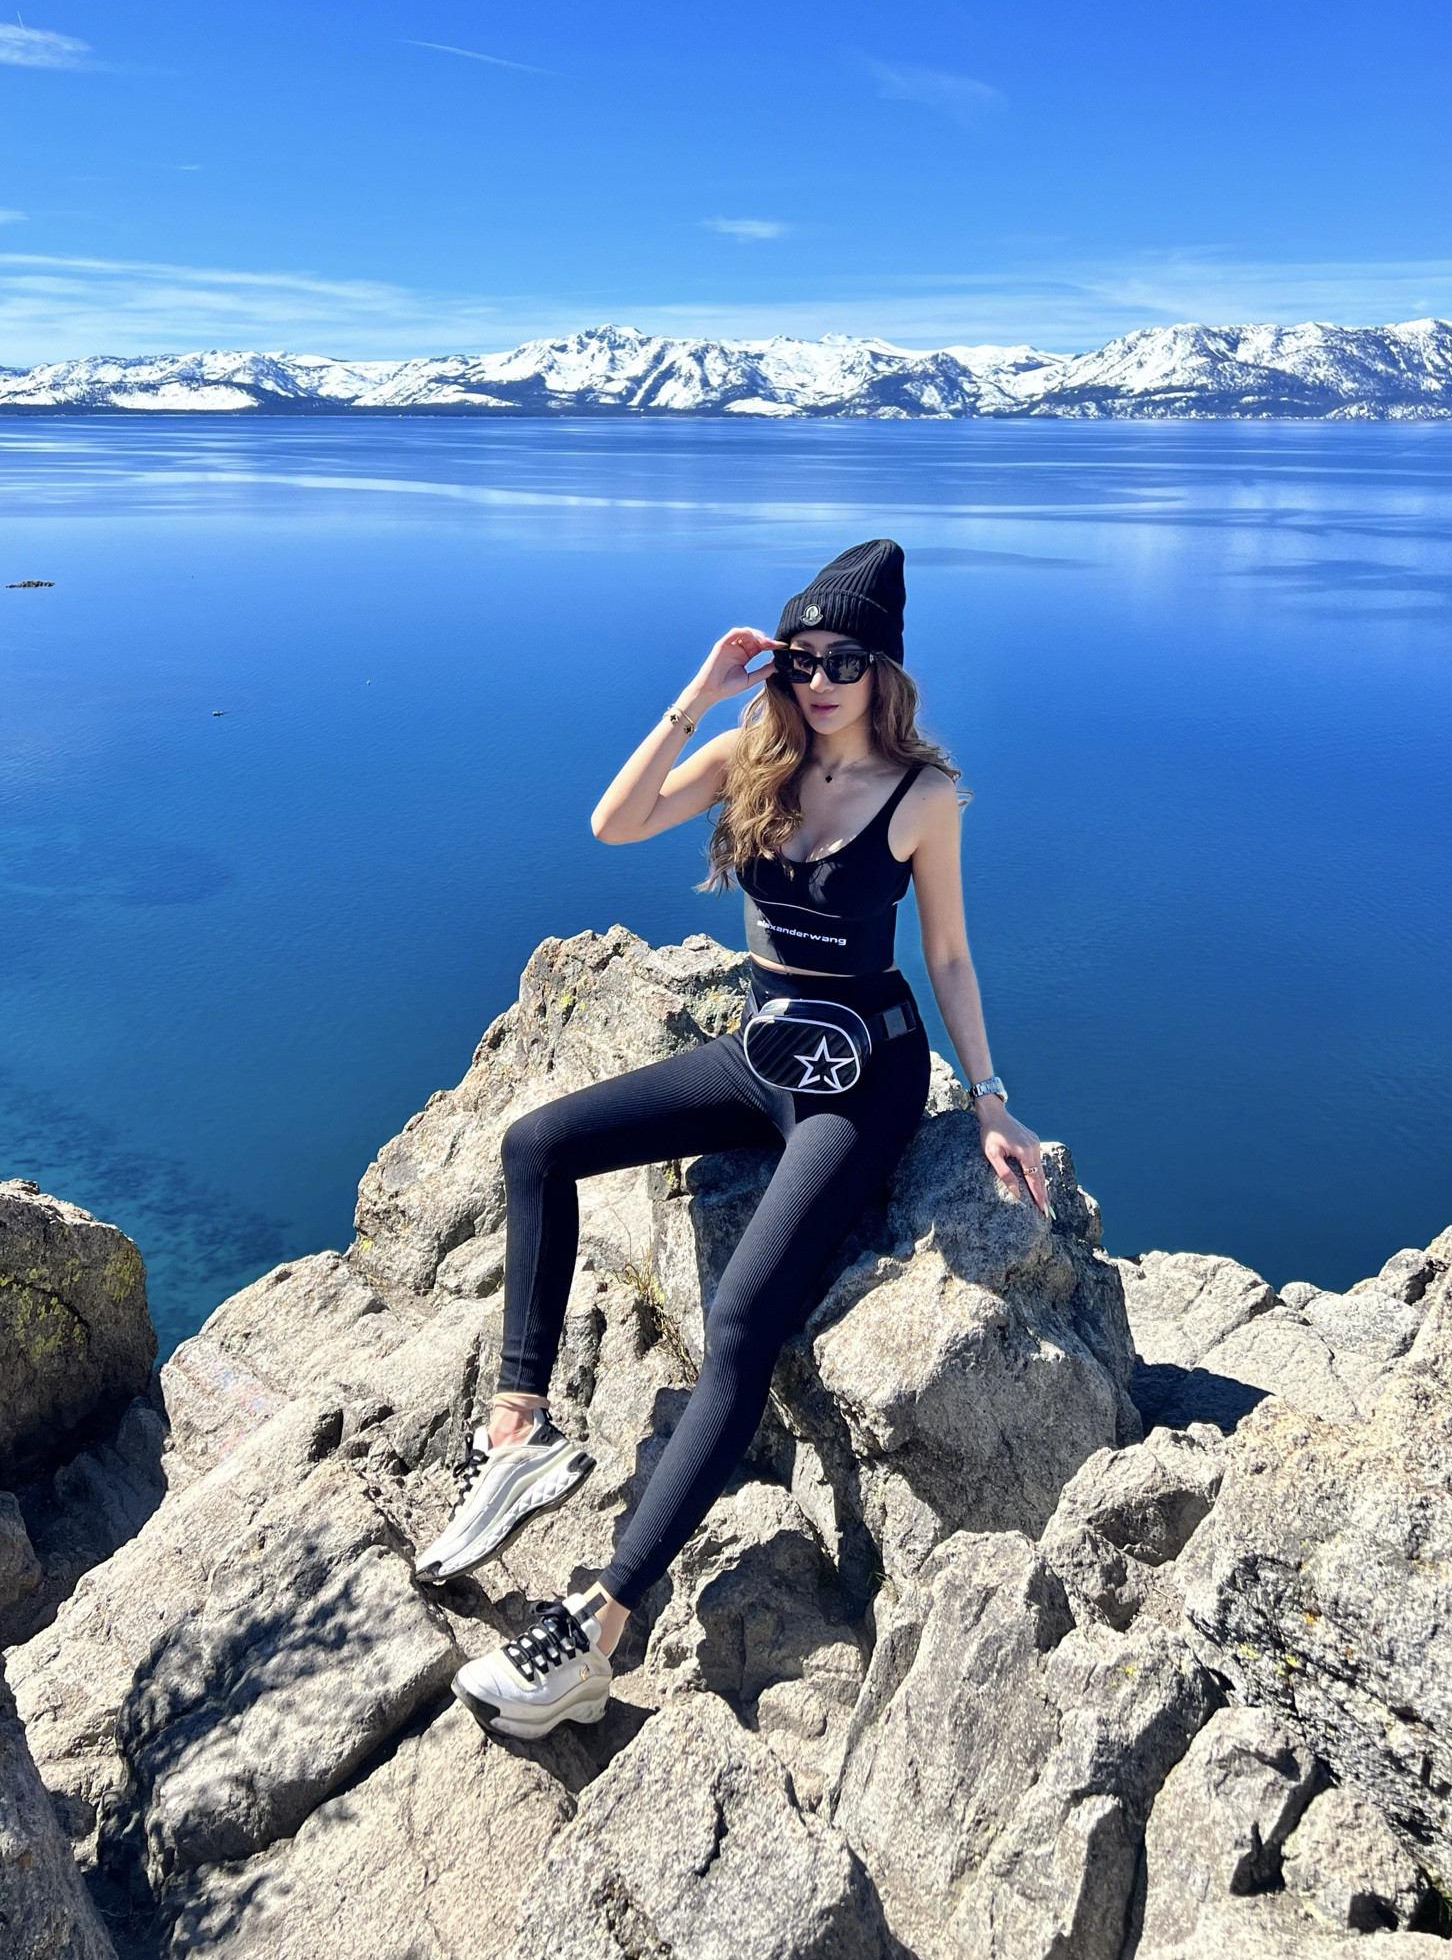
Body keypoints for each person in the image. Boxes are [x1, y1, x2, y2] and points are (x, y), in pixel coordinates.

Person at [421, 538, 1052, 1741]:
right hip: (760, 1055)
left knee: (738, 1328)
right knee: (536, 1144)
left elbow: (952, 956)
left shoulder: (923, 796)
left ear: (885, 669)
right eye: (802, 657)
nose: (820, 679)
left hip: (859, 1085)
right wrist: (700, 694)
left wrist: (988, 1094)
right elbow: (613, 822)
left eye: (844, 660)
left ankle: (596, 1630)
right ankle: (518, 1430)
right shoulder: (750, 751)